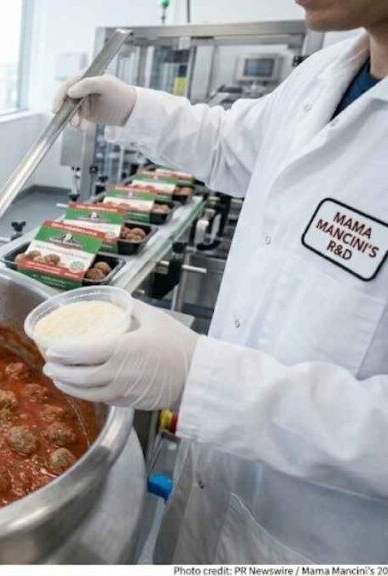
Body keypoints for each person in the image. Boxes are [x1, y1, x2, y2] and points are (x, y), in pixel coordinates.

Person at [48, 0, 388, 565]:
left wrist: (202, 378)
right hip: (208, 499)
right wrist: (132, 108)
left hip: (322, 546)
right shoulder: (324, 74)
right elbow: (231, 143)